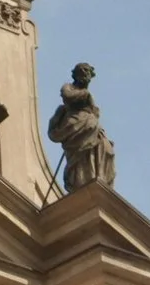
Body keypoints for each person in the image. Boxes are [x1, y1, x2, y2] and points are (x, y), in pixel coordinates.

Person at [48, 61, 117, 190]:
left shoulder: (86, 94)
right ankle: (82, 181)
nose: (86, 75)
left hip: (91, 127)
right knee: (81, 158)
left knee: (107, 149)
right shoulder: (68, 87)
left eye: (88, 72)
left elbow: (95, 112)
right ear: (75, 74)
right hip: (75, 125)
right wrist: (85, 94)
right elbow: (67, 96)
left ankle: (98, 177)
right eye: (83, 71)